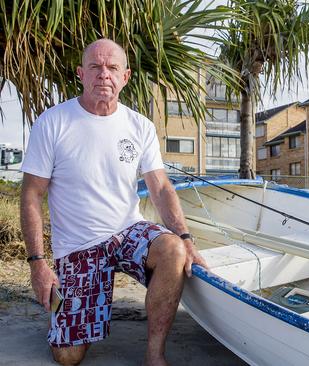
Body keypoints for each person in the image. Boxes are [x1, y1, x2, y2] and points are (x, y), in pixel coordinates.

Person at [20, 38, 208, 366]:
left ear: (126, 76)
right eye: (95, 66)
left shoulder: (140, 126)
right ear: (81, 73)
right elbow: (32, 194)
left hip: (128, 231)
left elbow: (161, 187)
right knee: (67, 357)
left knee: (173, 249)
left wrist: (187, 239)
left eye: (112, 67)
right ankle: (63, 312)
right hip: (78, 246)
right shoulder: (53, 123)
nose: (103, 74)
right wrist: (38, 263)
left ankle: (154, 355)